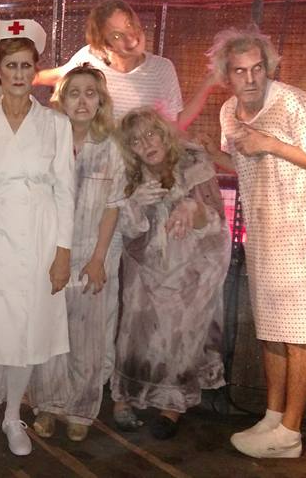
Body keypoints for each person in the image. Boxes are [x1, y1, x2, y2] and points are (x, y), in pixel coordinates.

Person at [203, 26, 306, 458]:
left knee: (298, 335)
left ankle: (290, 433)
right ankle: (272, 416)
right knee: (271, 329)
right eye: (240, 71)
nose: (251, 78)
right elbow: (246, 162)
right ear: (226, 75)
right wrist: (215, 154)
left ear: (268, 67)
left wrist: (270, 142)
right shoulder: (229, 112)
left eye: (257, 68)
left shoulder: (293, 102)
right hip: (267, 231)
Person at [0, 19, 75, 457]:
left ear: (35, 70)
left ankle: (12, 417)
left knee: (28, 329)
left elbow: (66, 191)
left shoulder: (55, 125)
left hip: (41, 234)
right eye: (11, 65)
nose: (20, 74)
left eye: (27, 65)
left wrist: (62, 252)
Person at [110, 107, 229, 440]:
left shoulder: (194, 166)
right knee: (134, 332)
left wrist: (192, 207)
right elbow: (126, 232)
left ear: (164, 134)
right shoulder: (129, 176)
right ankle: (125, 395)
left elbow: (217, 222)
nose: (146, 144)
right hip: (145, 267)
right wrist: (134, 204)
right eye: (135, 141)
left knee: (181, 334)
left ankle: (172, 406)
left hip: (190, 267)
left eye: (151, 134)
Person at [27, 65, 125, 442]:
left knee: (87, 338)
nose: (82, 100)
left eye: (90, 93)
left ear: (100, 101)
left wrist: (98, 259)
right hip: (49, 255)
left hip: (91, 255)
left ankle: (81, 409)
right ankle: (47, 405)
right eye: (74, 93)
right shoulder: (47, 145)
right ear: (61, 100)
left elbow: (113, 206)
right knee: (49, 332)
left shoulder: (111, 147)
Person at [35, 0, 216, 128]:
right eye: (116, 35)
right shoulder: (89, 59)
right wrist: (23, 75)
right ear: (105, 44)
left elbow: (175, 125)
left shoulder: (162, 68)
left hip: (141, 165)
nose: (130, 37)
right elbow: (56, 76)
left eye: (129, 25)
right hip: (100, 164)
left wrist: (207, 85)